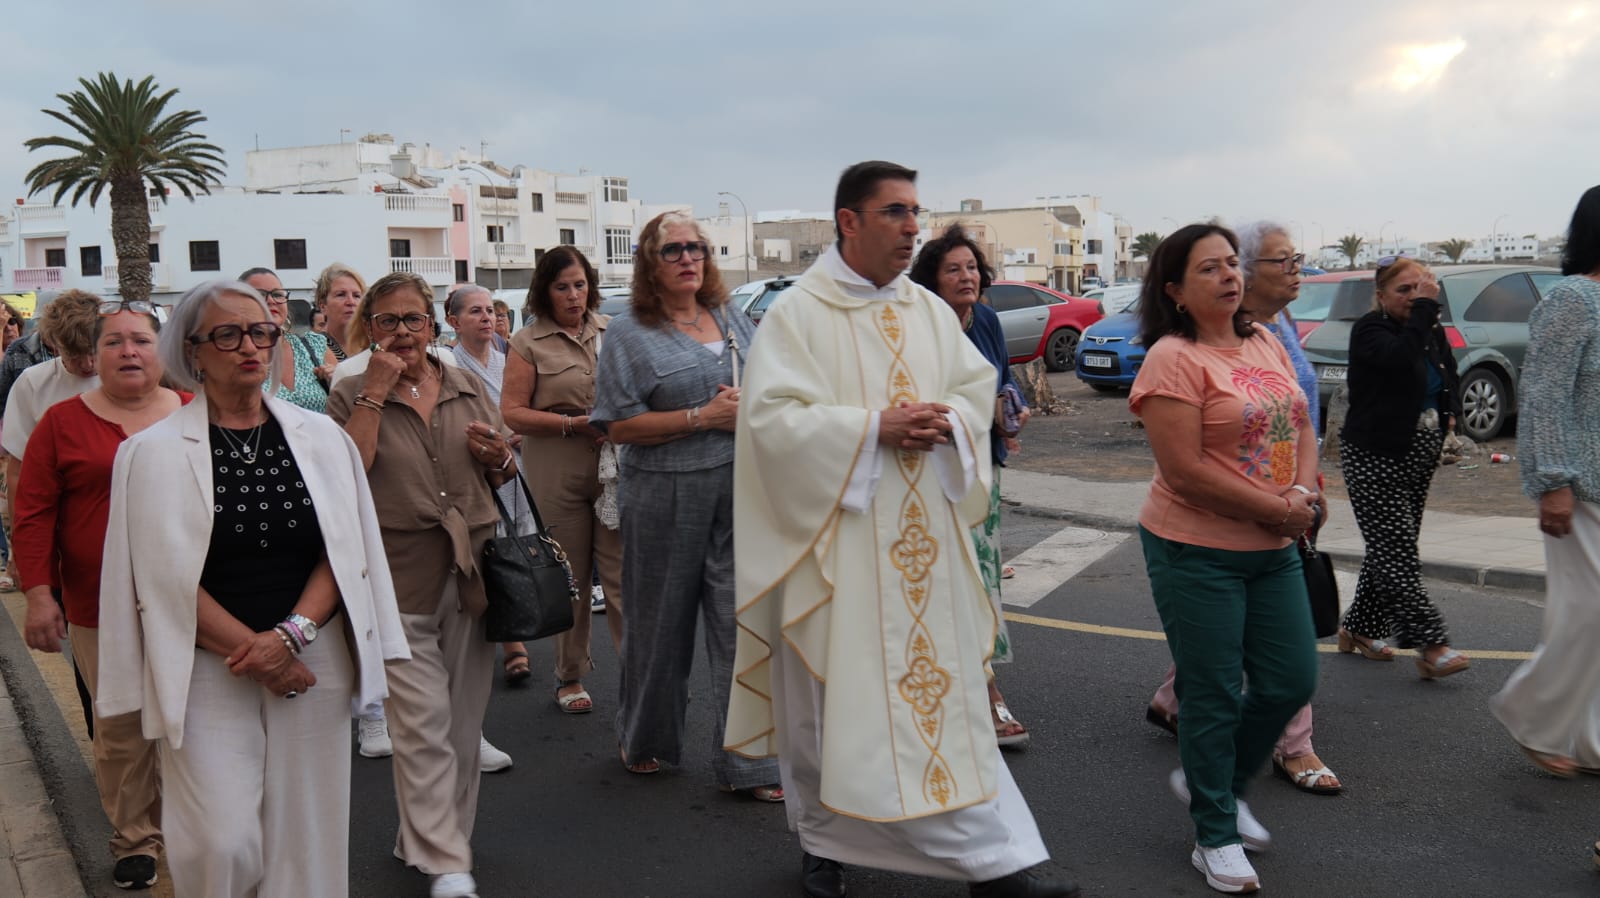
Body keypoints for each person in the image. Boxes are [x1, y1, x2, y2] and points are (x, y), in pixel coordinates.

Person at [724, 162, 1077, 898]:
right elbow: (769, 423)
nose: (913, 226)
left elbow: (972, 386)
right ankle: (823, 839)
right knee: (826, 704)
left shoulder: (922, 309)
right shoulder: (798, 314)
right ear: (847, 222)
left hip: (924, 542)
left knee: (941, 704)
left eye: (917, 211)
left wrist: (947, 419)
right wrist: (870, 429)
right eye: (895, 212)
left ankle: (994, 862)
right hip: (835, 542)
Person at [95, 279, 408, 897]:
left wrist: (290, 637)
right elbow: (159, 576)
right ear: (194, 351)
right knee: (222, 840)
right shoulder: (150, 453)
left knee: (307, 839)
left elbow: (344, 553)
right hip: (207, 664)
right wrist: (258, 652)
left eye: (262, 331)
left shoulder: (321, 439)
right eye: (228, 334)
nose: (250, 346)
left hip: (311, 654)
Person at [1129, 224, 1319, 894]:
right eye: (1209, 268)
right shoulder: (1172, 360)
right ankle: (1214, 835)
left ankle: (1220, 783)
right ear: (1176, 290)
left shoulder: (1265, 339)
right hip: (1196, 549)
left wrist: (1300, 490)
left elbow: (1299, 421)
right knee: (1209, 694)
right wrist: (1276, 509)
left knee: (1291, 679)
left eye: (1233, 263)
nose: (1230, 276)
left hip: (1274, 544)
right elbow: (1182, 472)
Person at [328, 270, 517, 898]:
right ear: (369, 329)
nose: (403, 331)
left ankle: (431, 839)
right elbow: (345, 474)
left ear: (432, 324)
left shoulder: (465, 385)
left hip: (471, 573)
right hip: (394, 578)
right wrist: (376, 394)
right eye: (388, 321)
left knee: (463, 727)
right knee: (421, 724)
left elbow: (501, 466)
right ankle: (446, 859)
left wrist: (499, 459)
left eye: (413, 319)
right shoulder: (349, 390)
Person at [591, 211, 782, 802]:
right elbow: (617, 426)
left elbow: (767, 385)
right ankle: (645, 739)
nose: (687, 257)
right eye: (672, 249)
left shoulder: (729, 316)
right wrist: (703, 416)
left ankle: (751, 762)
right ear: (650, 260)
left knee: (741, 627)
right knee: (658, 628)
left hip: (738, 491)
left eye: (695, 246)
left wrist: (750, 403)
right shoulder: (628, 333)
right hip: (664, 494)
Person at [13, 300, 185, 890]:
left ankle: (188, 826)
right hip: (96, 603)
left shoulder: (194, 414)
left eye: (141, 340)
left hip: (195, 603)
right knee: (121, 722)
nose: (129, 351)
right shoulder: (61, 422)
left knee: (190, 714)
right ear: (97, 355)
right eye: (115, 342)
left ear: (162, 351)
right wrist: (40, 594)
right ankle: (135, 839)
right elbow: (31, 512)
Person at [908, 223, 1033, 750]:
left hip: (982, 467)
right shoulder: (918, 326)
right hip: (928, 473)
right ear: (932, 280)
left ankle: (984, 686)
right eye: (953, 269)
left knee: (983, 583)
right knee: (933, 584)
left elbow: (1002, 377)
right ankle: (942, 689)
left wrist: (1010, 406)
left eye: (973, 267)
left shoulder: (984, 318)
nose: (967, 276)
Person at [1490, 184, 1600, 780]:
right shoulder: (1573, 300)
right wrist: (1552, 481)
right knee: (1591, 612)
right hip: (1582, 487)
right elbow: (1544, 398)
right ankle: (1532, 715)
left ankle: (1589, 739)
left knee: (1589, 615)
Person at [501, 249, 624, 715]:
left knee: (621, 578)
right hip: (559, 465)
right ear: (544, 291)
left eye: (580, 284)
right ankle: (569, 676)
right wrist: (573, 425)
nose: (574, 295)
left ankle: (640, 678)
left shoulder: (614, 332)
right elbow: (511, 412)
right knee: (571, 576)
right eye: (562, 287)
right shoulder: (527, 341)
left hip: (613, 465)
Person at [1337, 255, 1469, 679]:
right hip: (1375, 452)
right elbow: (1398, 359)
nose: (1414, 298)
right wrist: (1426, 311)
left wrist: (1450, 414)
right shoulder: (1371, 330)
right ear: (1380, 297)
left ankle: (1357, 627)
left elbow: (1446, 369)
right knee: (1397, 551)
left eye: (1420, 288)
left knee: (1392, 543)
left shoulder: (1426, 329)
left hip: (1420, 449)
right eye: (1403, 291)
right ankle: (1432, 644)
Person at [1, 291, 101, 716]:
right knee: (85, 656)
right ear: (53, 345)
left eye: (93, 350)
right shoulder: (34, 383)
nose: (87, 365)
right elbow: (18, 473)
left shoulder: (134, 374)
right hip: (67, 544)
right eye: (73, 355)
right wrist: (21, 553)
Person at [448, 284, 534, 693]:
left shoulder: (507, 361)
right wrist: (503, 433)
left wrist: (520, 429)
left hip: (519, 463)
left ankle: (518, 622)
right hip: (475, 468)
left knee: (516, 546)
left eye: (489, 310)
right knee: (491, 552)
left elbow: (527, 406)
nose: (486, 317)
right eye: (474, 312)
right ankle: (510, 642)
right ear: (453, 321)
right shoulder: (448, 365)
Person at [242, 268, 336, 413]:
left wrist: (335, 380)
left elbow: (345, 403)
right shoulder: (235, 355)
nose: (271, 301)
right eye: (260, 295)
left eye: (277, 294)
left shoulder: (315, 345)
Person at [314, 263, 366, 361]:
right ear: (323, 306)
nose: (351, 302)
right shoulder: (312, 349)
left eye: (356, 295)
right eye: (341, 295)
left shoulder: (371, 346)